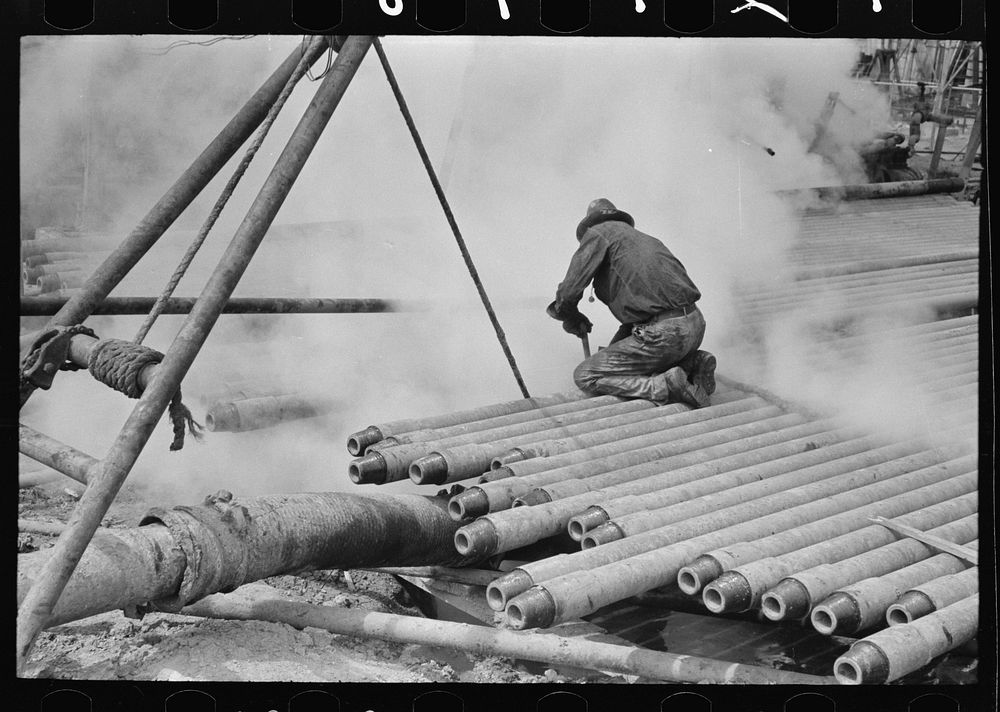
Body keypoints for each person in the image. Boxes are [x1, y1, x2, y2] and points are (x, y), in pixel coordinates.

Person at [547, 198, 716, 408]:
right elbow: (644, 312)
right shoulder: (648, 240)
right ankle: (694, 362)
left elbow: (569, 292)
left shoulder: (598, 233)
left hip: (666, 335)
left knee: (585, 375)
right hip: (696, 326)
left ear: (590, 224)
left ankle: (663, 387)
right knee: (623, 358)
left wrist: (570, 316)